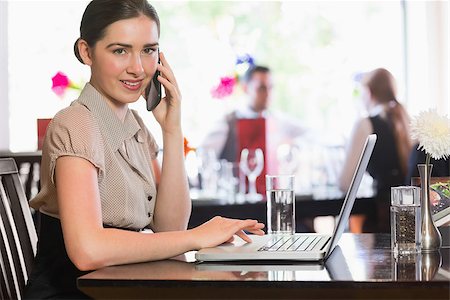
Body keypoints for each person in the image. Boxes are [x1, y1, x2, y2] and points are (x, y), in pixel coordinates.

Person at [24, 1, 264, 298]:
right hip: (74, 293)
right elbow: (87, 251)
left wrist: (172, 130)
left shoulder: (136, 127)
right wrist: (195, 238)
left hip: (120, 288)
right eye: (120, 50)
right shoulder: (76, 123)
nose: (138, 68)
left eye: (148, 50)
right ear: (86, 52)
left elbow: (169, 227)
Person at [338, 68, 414, 233]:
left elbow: (344, 183)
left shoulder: (367, 124)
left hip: (383, 219)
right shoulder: (408, 121)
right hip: (410, 218)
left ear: (368, 92)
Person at [201, 65, 307, 175]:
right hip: (236, 191)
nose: (267, 94)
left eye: (270, 88)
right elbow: (204, 157)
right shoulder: (227, 123)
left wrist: (293, 145)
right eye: (261, 88)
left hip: (271, 190)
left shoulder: (278, 120)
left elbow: (312, 135)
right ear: (246, 88)